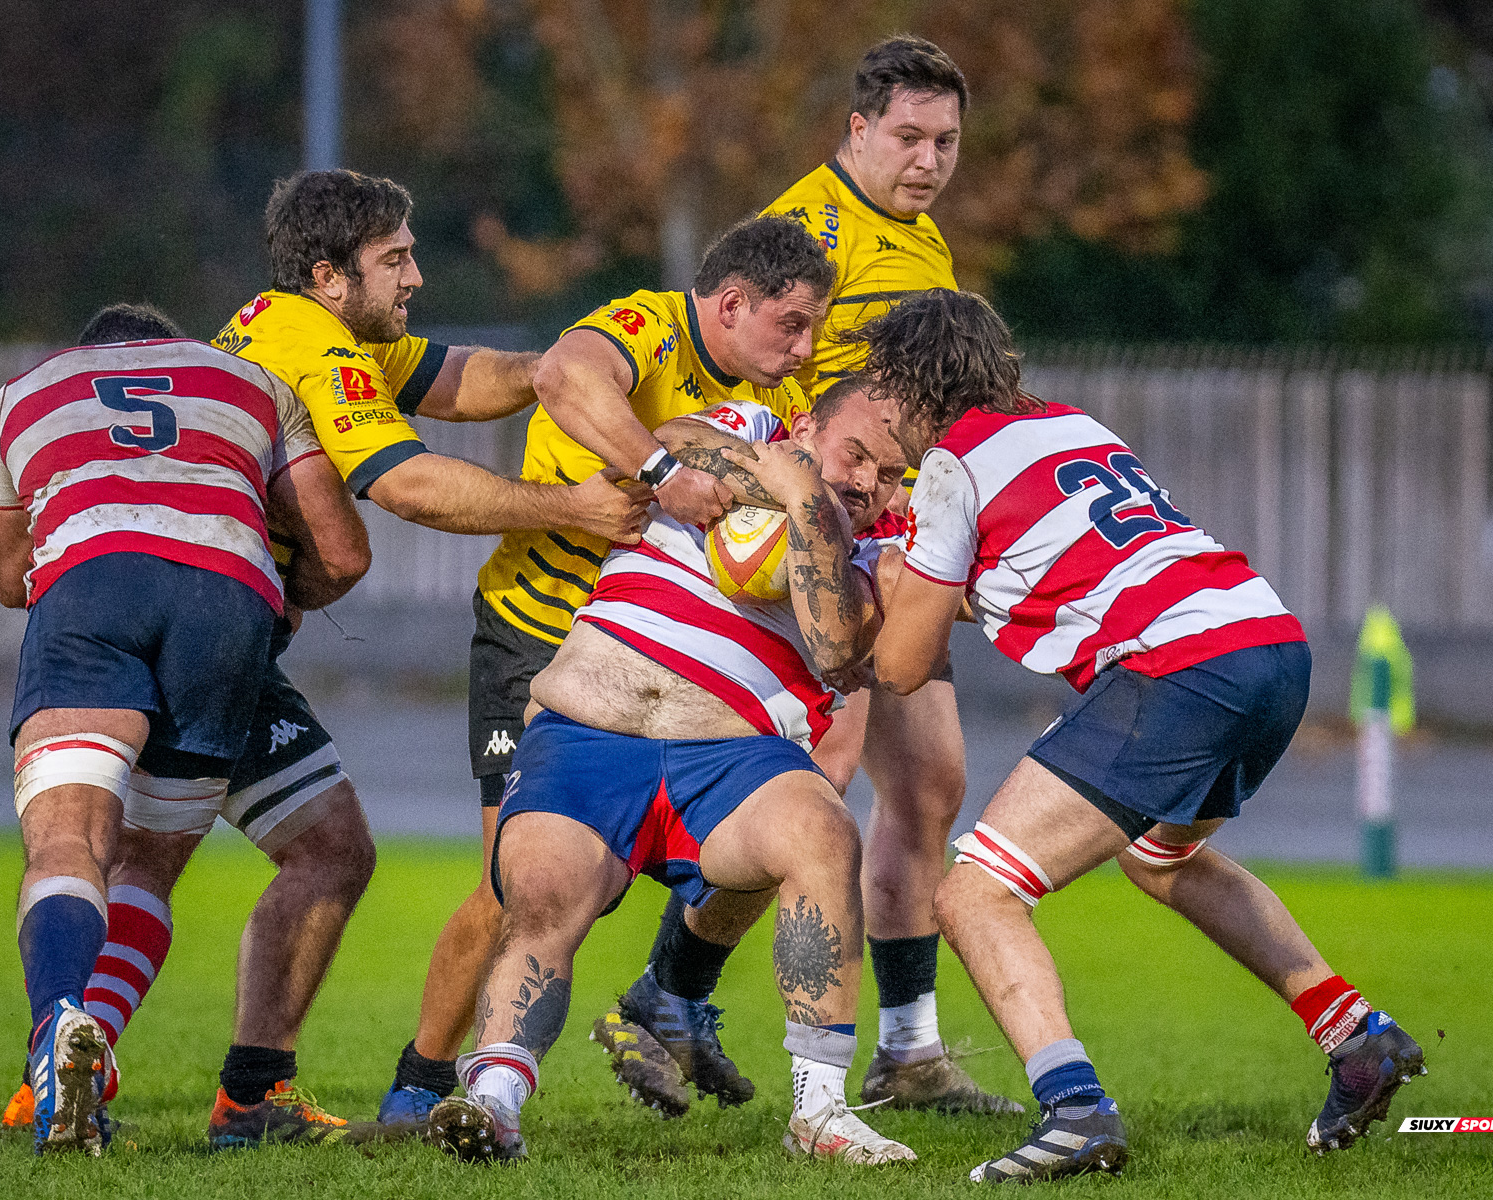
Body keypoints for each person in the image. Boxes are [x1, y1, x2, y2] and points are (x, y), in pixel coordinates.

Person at [0, 169, 647, 1146]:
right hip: (220, 621)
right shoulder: (309, 350)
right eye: (397, 259)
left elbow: (453, 377)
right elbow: (403, 487)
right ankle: (196, 1087)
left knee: (299, 849)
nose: (417, 277)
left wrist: (562, 365)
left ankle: (133, 1074)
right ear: (329, 276)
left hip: (135, 608)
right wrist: (575, 508)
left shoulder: (281, 328)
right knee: (176, 857)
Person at [861, 289, 1427, 1182]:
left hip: (1179, 669)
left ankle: (1075, 1111)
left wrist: (892, 580)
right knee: (1162, 860)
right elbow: (1055, 571)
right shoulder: (1066, 424)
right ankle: (1357, 1036)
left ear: (905, 384)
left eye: (881, 388)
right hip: (1268, 643)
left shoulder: (950, 464)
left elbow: (899, 666)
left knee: (974, 896)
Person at [619, 35, 1014, 1115]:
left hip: (891, 536)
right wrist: (768, 498)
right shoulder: (811, 231)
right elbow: (750, 364)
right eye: (909, 137)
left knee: (925, 787)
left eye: (946, 142)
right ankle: (672, 992)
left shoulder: (922, 240)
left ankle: (904, 1050)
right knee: (814, 791)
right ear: (857, 128)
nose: (929, 160)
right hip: (820, 546)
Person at [376, 216, 834, 1128]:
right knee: (513, 886)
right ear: (730, 305)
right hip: (539, 637)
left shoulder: (778, 397)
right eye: (791, 325)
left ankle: (673, 993)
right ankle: (419, 1088)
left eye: (814, 329)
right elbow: (562, 375)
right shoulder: (650, 325)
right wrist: (662, 470)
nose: (805, 350)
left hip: (665, 662)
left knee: (798, 817)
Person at [425, 385, 915, 1164]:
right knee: (544, 891)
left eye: (891, 474)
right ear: (806, 426)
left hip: (733, 756)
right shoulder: (749, 425)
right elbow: (674, 440)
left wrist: (811, 504)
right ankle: (494, 1101)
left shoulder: (884, 551)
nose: (867, 482)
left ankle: (819, 1111)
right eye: (856, 455)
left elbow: (838, 647)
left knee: (823, 830)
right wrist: (786, 480)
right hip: (588, 730)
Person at [0, 303, 371, 1155]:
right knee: (149, 865)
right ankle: (99, 1061)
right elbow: (343, 554)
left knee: (70, 843)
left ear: (91, 353)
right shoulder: (253, 382)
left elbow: (11, 577)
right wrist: (276, 594)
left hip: (93, 587)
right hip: (226, 601)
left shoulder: (26, 390)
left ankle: (60, 1035)